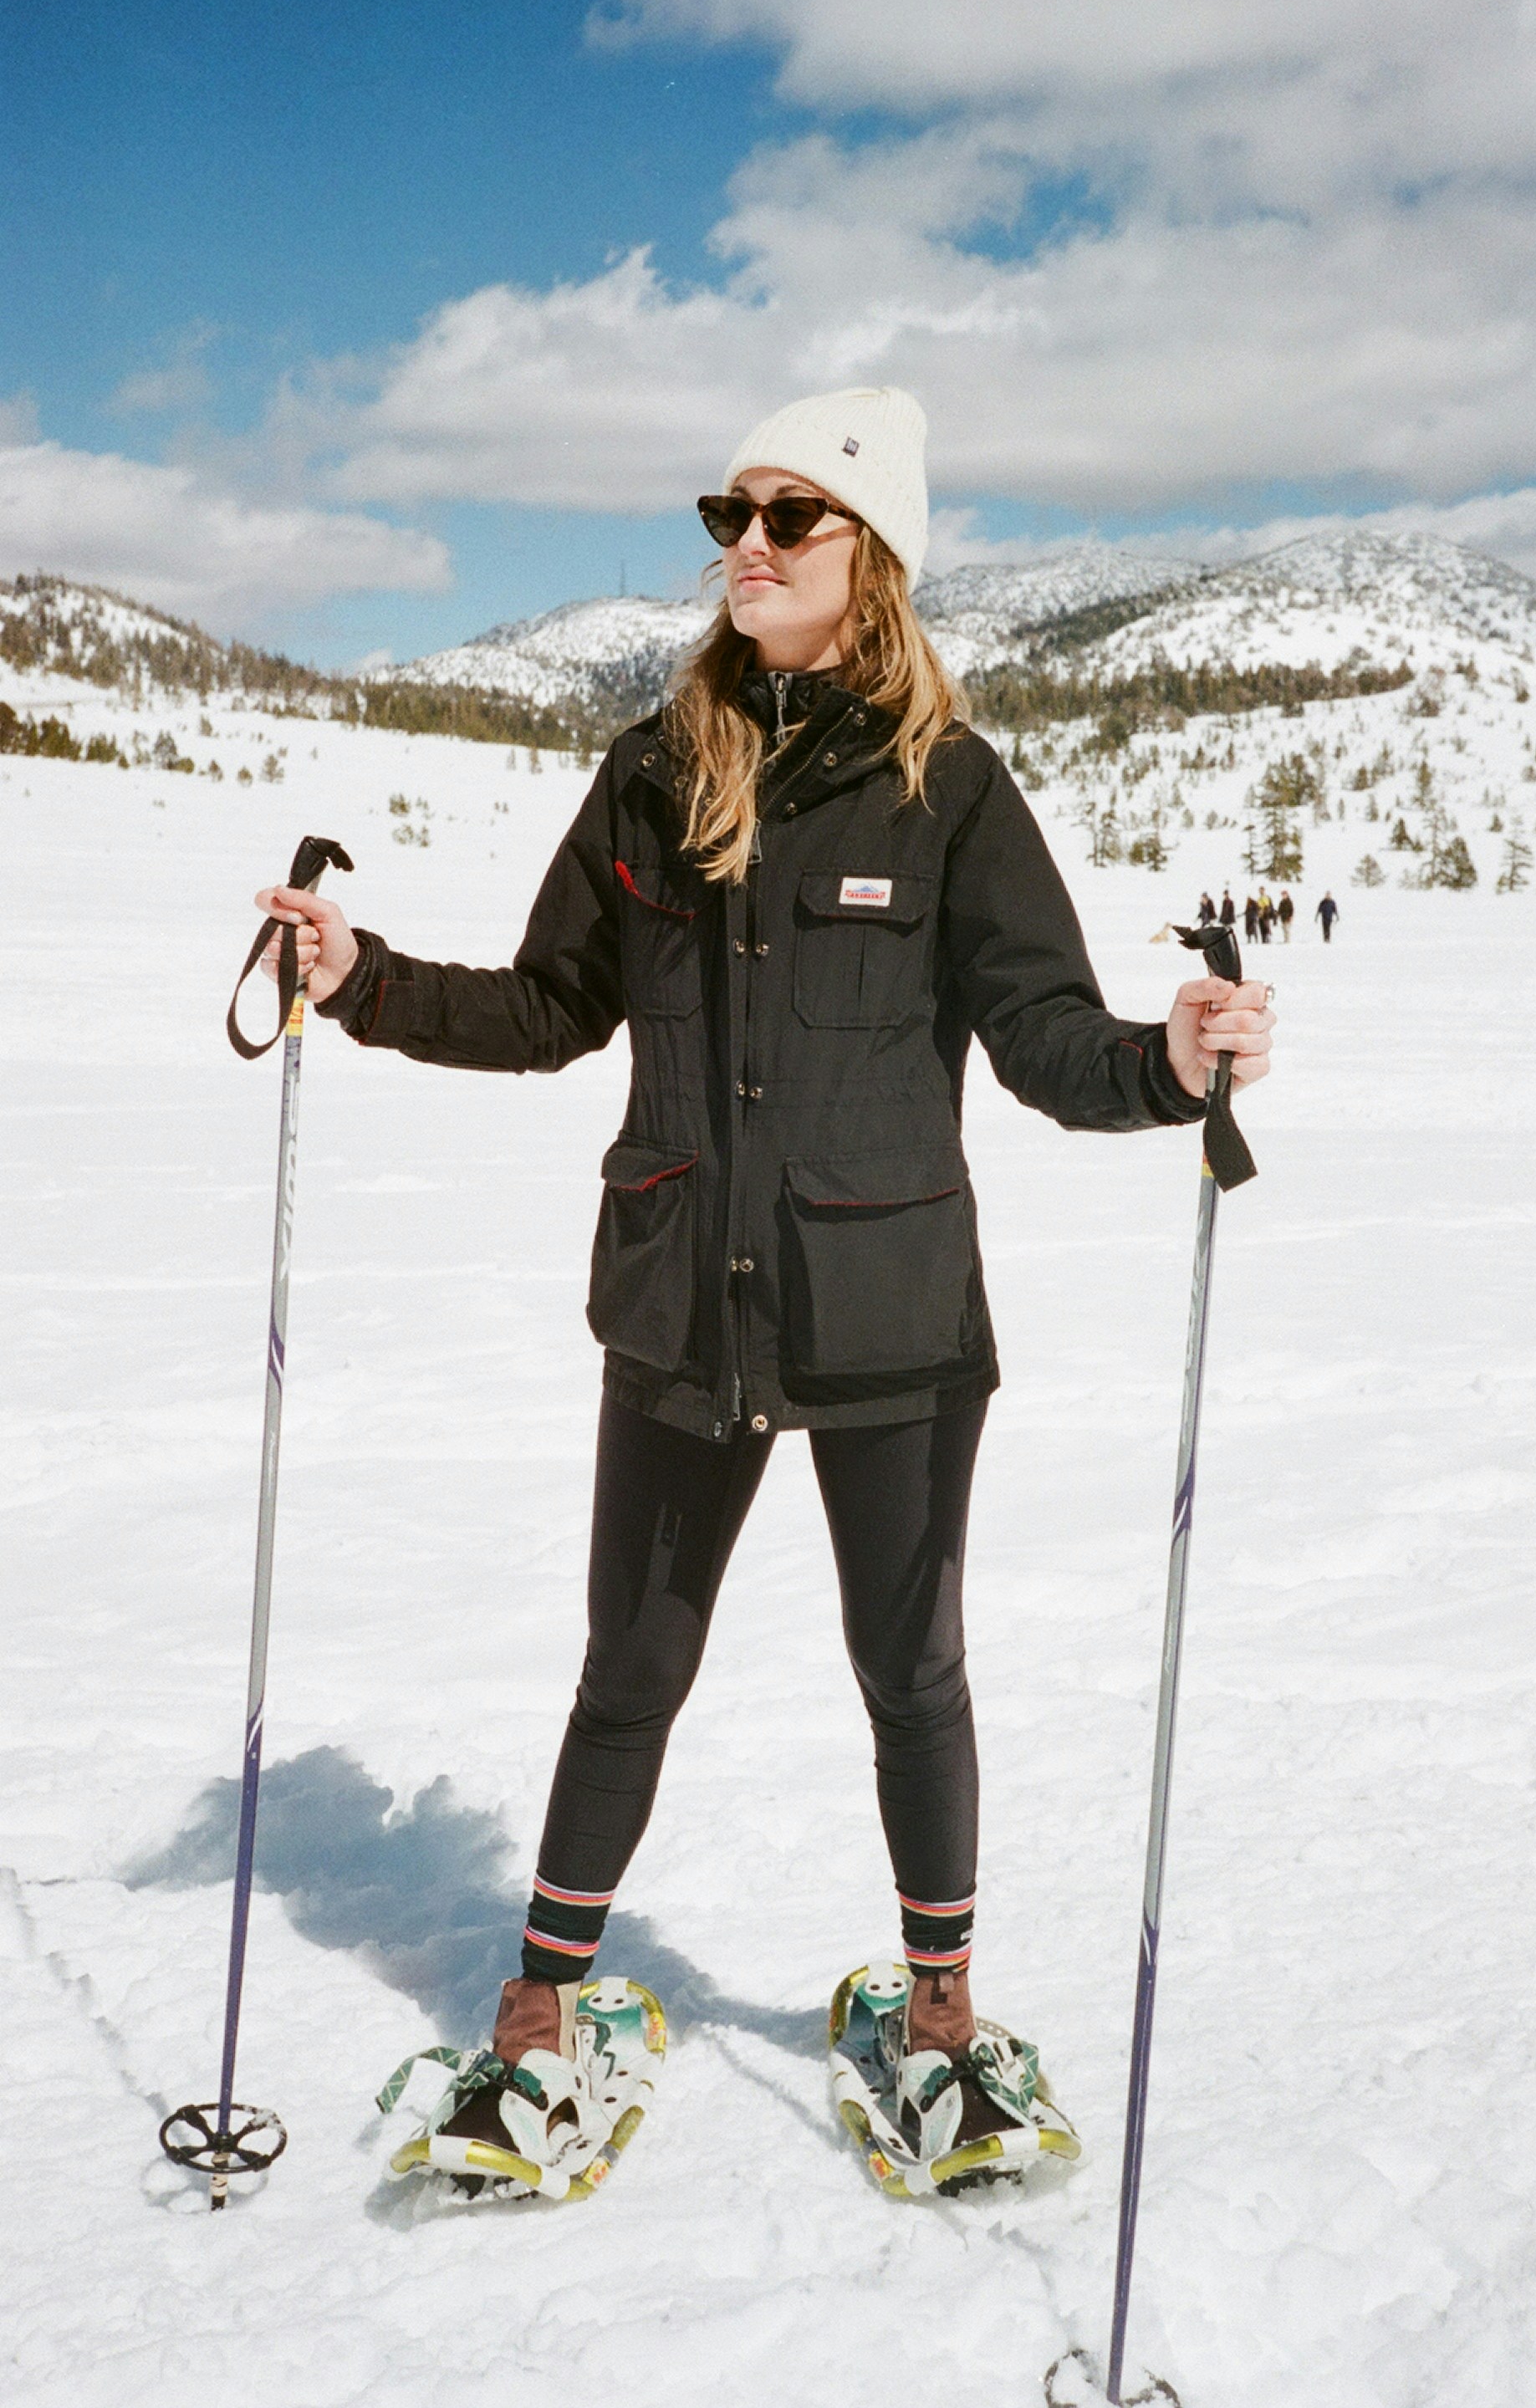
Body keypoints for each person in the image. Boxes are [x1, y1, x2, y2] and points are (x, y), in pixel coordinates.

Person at [254, 384, 1274, 2191]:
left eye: (787, 517)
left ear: (866, 556)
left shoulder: (944, 786)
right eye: (730, 509)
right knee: (629, 1664)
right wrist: (363, 977)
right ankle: (545, 1996)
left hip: (889, 1312)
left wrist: (1167, 1063)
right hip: (676, 1305)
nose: (744, 540)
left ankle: (939, 2001)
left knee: (911, 1668)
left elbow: (1039, 1033)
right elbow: (554, 1006)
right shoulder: (654, 769)